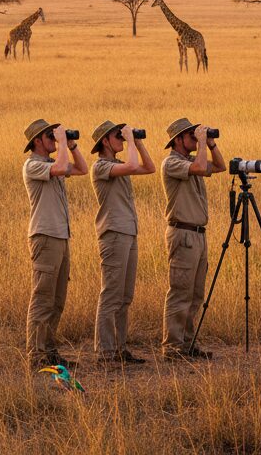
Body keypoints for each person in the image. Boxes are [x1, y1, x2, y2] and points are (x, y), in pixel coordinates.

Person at [160, 117, 226, 359]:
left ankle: (187, 345)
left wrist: (210, 144)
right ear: (177, 140)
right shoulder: (171, 163)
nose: (193, 138)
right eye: (190, 136)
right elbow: (200, 168)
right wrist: (200, 144)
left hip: (198, 234)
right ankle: (172, 347)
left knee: (196, 294)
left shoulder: (190, 159)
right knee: (180, 292)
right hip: (183, 233)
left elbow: (220, 166)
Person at [89, 120, 154, 364]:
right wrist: (130, 141)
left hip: (128, 232)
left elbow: (148, 167)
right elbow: (133, 164)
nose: (121, 139)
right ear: (105, 141)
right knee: (111, 295)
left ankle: (119, 348)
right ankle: (105, 351)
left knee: (125, 296)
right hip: (114, 233)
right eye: (117, 136)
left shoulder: (119, 164)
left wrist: (136, 142)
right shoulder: (101, 166)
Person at [22, 118, 85, 365]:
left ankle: (49, 351)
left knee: (57, 300)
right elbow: (61, 168)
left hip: (60, 236)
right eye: (49, 136)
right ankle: (36, 355)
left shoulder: (51, 162)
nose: (53, 139)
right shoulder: (32, 165)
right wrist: (61, 144)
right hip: (45, 236)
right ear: (37, 141)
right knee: (42, 298)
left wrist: (71, 145)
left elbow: (81, 169)